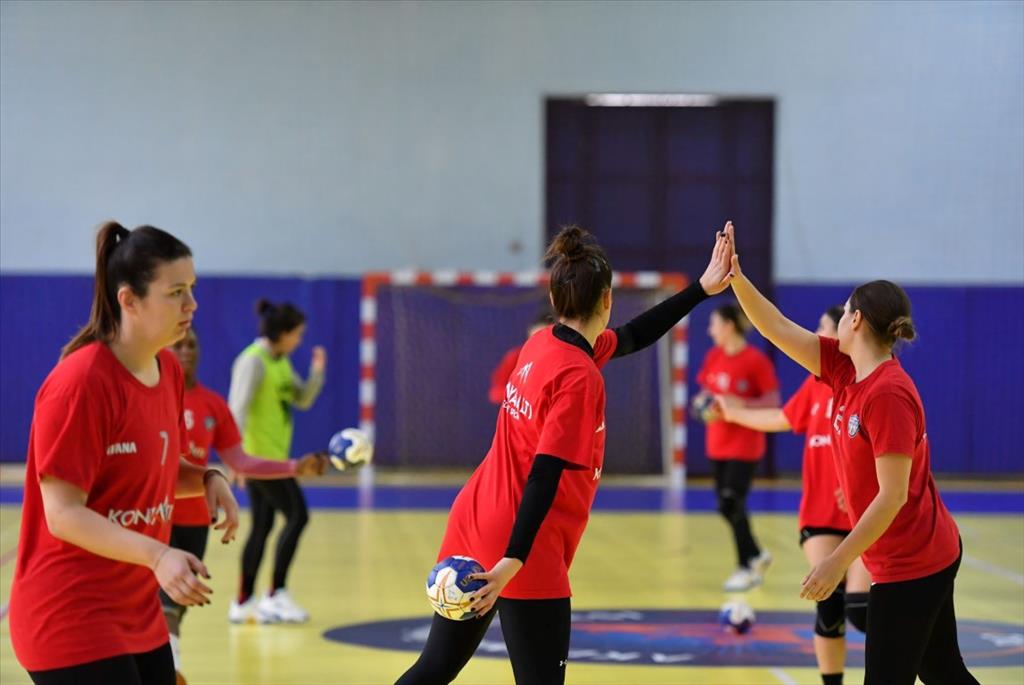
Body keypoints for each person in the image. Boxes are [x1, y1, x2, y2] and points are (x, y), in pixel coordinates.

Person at [396, 224, 734, 685]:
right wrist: (514, 561)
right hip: (523, 540)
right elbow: (545, 473)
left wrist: (701, 289)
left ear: (555, 300)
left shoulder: (542, 344)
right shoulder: (579, 377)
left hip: (473, 518)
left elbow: (634, 335)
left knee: (434, 668)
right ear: (607, 299)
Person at [723, 221, 977, 684]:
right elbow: (776, 327)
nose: (838, 319)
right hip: (904, 555)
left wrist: (837, 560)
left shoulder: (888, 394)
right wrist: (736, 278)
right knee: (943, 672)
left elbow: (893, 495)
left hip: (914, 561)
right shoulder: (843, 368)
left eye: (844, 312)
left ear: (856, 320)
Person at [8, 222, 240, 685]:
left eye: (192, 289)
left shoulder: (168, 371)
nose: (192, 305)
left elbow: (156, 468)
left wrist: (208, 478)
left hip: (136, 612)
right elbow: (63, 514)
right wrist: (159, 555)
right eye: (175, 292)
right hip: (69, 617)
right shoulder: (81, 384)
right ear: (129, 299)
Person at [715, 305, 870, 685]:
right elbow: (779, 418)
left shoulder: (869, 386)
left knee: (862, 610)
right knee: (829, 603)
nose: (815, 333)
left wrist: (860, 487)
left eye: (822, 326)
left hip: (866, 515)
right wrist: (732, 413)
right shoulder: (815, 385)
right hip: (820, 514)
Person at [163, 328, 328, 680]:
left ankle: (167, 661)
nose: (186, 351)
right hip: (154, 517)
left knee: (178, 603)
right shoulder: (150, 397)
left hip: (195, 519)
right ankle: (170, 667)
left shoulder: (212, 405)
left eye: (192, 344)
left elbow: (240, 461)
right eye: (178, 345)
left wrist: (294, 467)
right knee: (160, 606)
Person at [227, 300, 326, 623]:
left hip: (275, 460)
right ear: (282, 333)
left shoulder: (280, 361)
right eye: (297, 334)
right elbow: (236, 411)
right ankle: (276, 594)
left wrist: (317, 372)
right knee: (298, 516)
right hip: (258, 461)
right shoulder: (253, 362)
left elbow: (302, 398)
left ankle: (243, 601)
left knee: (263, 526)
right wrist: (236, 459)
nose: (299, 340)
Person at [694, 303, 779, 591]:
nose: (710, 331)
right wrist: (702, 405)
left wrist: (741, 403)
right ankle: (756, 554)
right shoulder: (714, 357)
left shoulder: (755, 361)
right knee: (725, 506)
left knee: (731, 501)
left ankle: (747, 565)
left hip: (745, 445)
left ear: (729, 326)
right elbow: (705, 394)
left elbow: (772, 401)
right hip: (717, 443)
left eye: (714, 324)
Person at [489, 310, 555, 403]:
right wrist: (522, 396)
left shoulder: (559, 361)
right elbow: (495, 393)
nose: (538, 343)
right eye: (534, 338)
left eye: (544, 339)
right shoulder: (515, 357)